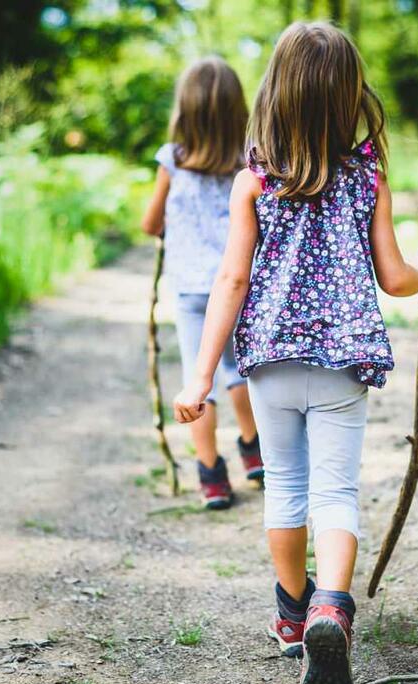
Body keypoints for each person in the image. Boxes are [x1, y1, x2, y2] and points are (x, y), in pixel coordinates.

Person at [172, 23, 418, 684]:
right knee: (336, 491)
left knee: (285, 487)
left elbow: (231, 283)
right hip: (340, 361)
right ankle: (332, 607)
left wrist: (203, 375)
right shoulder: (367, 180)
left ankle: (293, 616)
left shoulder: (255, 182)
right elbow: (394, 277)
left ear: (277, 95)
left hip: (266, 360)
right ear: (349, 97)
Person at [142, 57, 264, 511]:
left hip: (192, 288)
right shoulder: (249, 161)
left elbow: (151, 223)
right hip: (237, 282)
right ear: (239, 111)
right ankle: (253, 451)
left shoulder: (171, 161)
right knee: (238, 370)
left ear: (184, 111)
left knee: (201, 378)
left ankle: (211, 474)